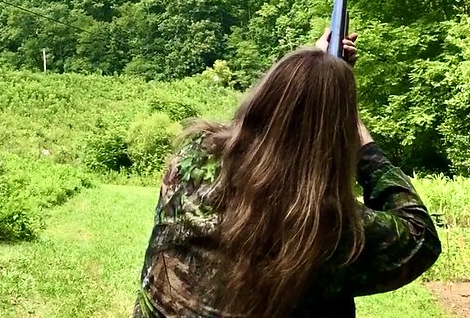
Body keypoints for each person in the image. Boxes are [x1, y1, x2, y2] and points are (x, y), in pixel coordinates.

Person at [133, 30, 441, 318]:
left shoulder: (193, 158)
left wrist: (305, 70)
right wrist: (363, 142)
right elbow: (421, 238)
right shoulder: (327, 226)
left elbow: (250, 132)